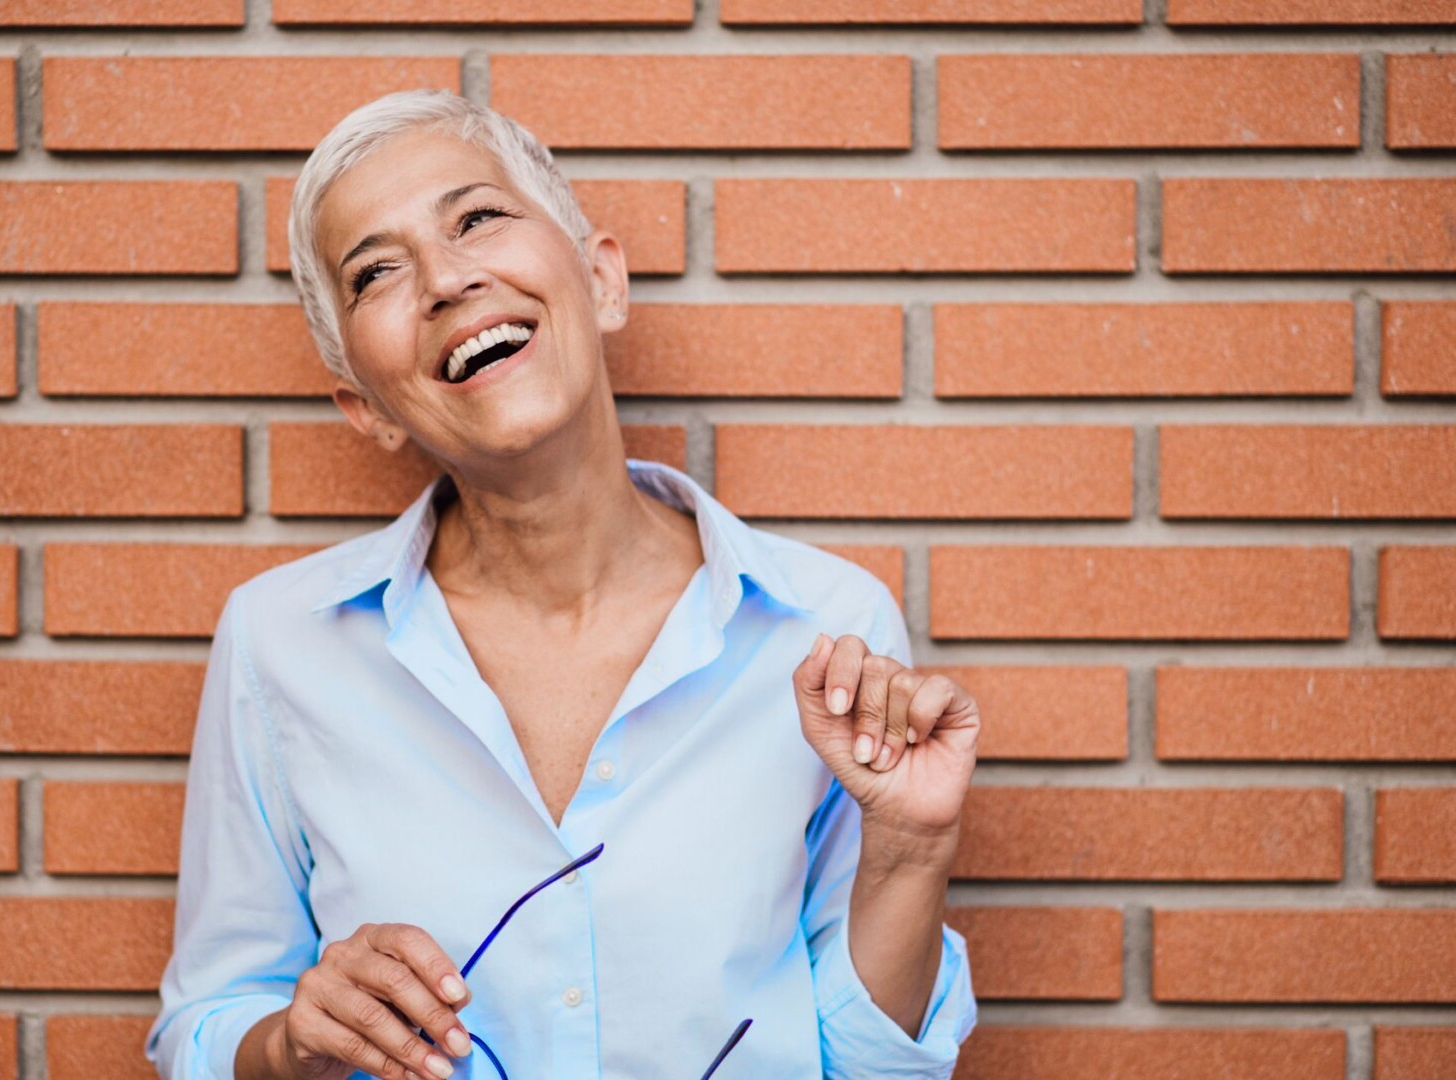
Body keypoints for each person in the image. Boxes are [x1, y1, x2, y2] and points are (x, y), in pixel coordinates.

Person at [145, 88, 981, 1080]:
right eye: (377, 270)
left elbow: (868, 1069)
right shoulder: (279, 643)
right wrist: (289, 1042)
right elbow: (206, 1022)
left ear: (602, 280)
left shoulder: (828, 630)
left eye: (478, 218)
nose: (448, 278)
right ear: (364, 408)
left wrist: (910, 852)